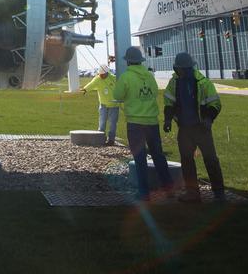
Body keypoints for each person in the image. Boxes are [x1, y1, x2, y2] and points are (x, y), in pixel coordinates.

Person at [112, 46, 173, 201]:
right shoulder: (149, 76)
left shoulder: (126, 77)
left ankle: (144, 192)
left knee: (140, 158)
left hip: (135, 122)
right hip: (152, 121)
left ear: (128, 62)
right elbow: (153, 92)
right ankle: (169, 187)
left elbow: (117, 95)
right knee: (158, 156)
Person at [164, 53, 226, 203]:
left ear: (187, 68)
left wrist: (209, 119)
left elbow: (215, 104)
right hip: (184, 129)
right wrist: (168, 120)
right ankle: (192, 193)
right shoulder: (174, 83)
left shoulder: (203, 83)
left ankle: (219, 192)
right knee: (187, 161)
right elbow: (169, 103)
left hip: (201, 129)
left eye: (180, 68)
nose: (178, 71)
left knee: (211, 159)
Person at [80, 67, 120, 145]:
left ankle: (111, 140)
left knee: (112, 124)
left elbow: (121, 86)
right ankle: (100, 139)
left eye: (103, 74)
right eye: (100, 74)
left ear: (107, 73)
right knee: (102, 123)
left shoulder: (114, 78)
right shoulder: (97, 79)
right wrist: (85, 89)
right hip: (103, 105)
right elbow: (91, 85)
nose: (101, 76)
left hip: (114, 105)